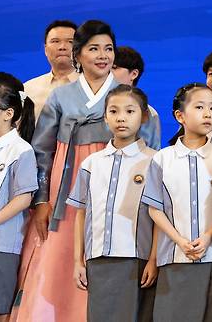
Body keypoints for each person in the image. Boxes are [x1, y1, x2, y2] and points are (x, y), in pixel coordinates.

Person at [14, 20, 157, 322]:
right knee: (61, 256)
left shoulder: (126, 98)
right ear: (78, 55)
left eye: (108, 49)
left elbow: (152, 152)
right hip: (65, 188)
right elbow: (42, 151)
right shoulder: (61, 97)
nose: (103, 55)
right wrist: (41, 201)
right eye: (94, 48)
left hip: (117, 187)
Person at [142, 83, 212, 322]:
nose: (207, 113)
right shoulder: (162, 159)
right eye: (200, 107)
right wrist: (180, 240)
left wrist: (209, 236)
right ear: (180, 115)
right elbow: (154, 208)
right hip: (173, 256)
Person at [67, 85, 158, 321]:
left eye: (130, 111)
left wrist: (154, 259)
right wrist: (79, 261)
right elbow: (81, 214)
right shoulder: (91, 163)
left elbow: (160, 215)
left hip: (136, 258)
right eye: (114, 111)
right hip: (97, 260)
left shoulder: (155, 162)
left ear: (144, 116)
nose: (121, 118)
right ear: (105, 117)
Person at [0, 83, 38, 322]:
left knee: (1, 308)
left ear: (8, 113)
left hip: (2, 244)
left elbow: (24, 198)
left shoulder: (20, 150)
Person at [24, 20, 78, 120]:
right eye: (55, 41)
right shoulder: (28, 89)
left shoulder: (95, 86)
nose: (62, 47)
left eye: (70, 42)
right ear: (45, 49)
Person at [112, 46, 162, 149]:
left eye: (115, 67)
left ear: (134, 74)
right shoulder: (94, 107)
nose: (108, 73)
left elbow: (154, 151)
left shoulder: (148, 113)